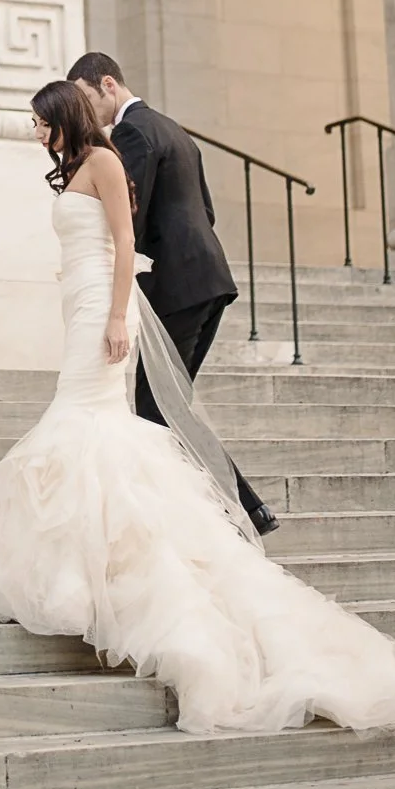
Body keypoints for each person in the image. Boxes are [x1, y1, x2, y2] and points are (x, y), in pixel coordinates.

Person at [0, 79, 395, 736]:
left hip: (103, 309)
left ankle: (107, 571)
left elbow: (125, 245)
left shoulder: (108, 160)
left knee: (88, 425)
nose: (36, 133)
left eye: (40, 122)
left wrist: (118, 318)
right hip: (79, 302)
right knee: (85, 424)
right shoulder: (74, 170)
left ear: (65, 116)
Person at [68, 51, 278, 536]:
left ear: (107, 84)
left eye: (85, 99)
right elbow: (205, 209)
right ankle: (237, 509)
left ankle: (236, 510)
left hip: (177, 286)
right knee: (167, 404)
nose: (84, 113)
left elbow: (129, 220)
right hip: (206, 280)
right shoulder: (173, 128)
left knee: (155, 406)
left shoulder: (131, 133)